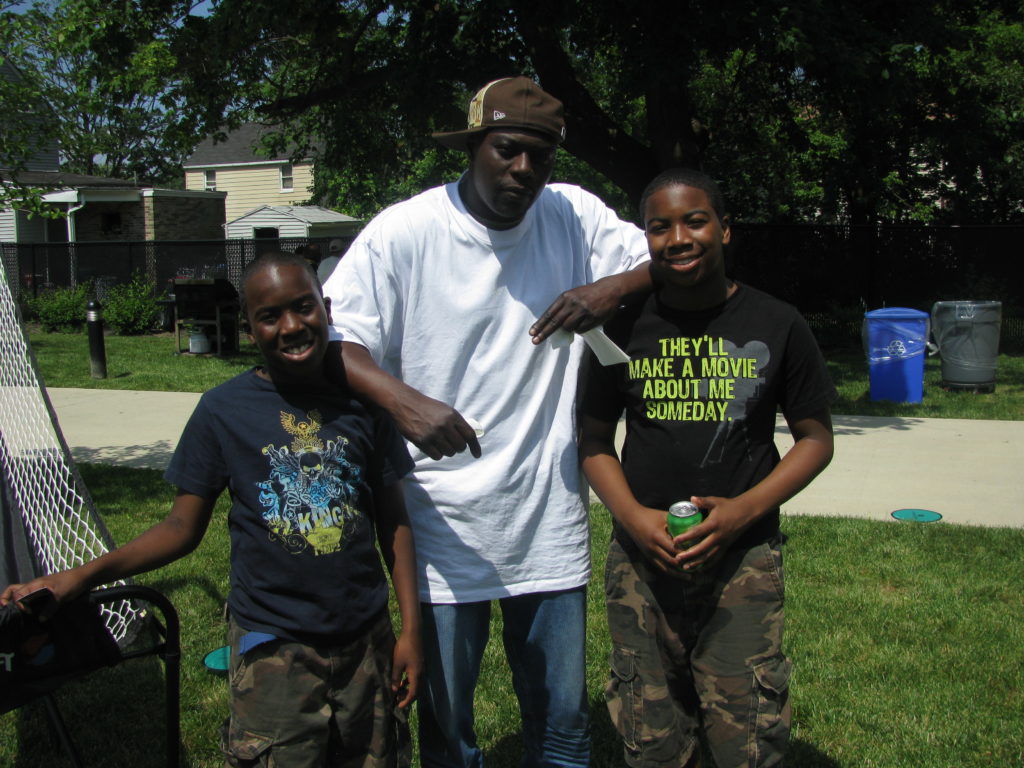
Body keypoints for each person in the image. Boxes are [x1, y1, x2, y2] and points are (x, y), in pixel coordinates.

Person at [323, 76, 652, 767]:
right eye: (507, 150)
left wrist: (607, 289)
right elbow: (337, 342)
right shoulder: (406, 232)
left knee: (563, 723)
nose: (524, 170)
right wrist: (403, 400)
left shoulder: (572, 215)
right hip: (442, 529)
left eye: (541, 155)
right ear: (474, 146)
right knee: (449, 728)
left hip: (545, 519)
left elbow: (672, 255)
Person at [1, 252, 423, 768]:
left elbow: (394, 521)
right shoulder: (223, 411)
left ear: (327, 309)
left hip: (366, 642)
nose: (291, 326)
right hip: (274, 646)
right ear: (249, 328)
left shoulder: (363, 406)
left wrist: (410, 631)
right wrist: (80, 577)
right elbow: (181, 526)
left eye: (303, 307)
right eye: (270, 316)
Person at [578, 168, 836, 767]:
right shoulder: (621, 328)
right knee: (650, 726)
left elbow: (815, 439)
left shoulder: (777, 323)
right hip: (642, 563)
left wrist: (744, 511)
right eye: (659, 226)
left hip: (741, 561)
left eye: (695, 220)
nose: (678, 238)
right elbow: (592, 440)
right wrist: (634, 518)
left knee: (746, 729)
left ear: (725, 229)